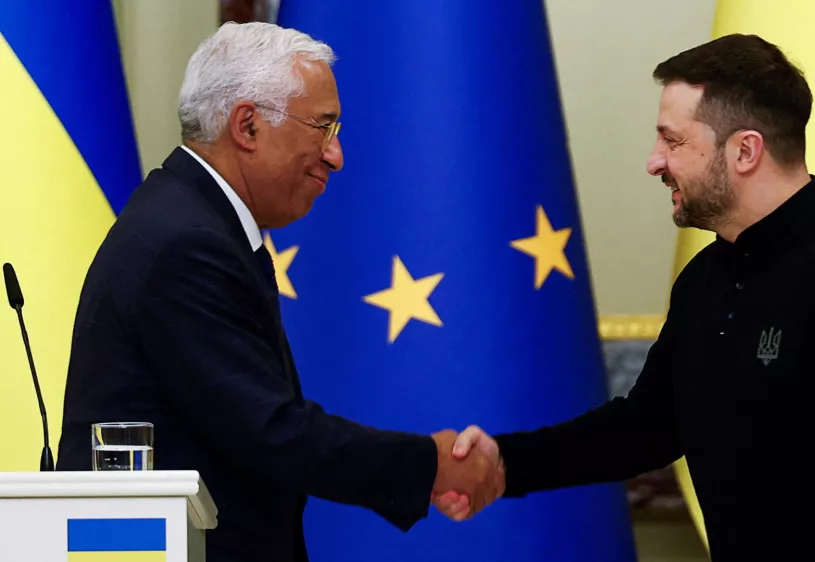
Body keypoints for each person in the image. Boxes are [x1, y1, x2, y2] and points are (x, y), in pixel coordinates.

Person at [434, 33, 815, 561]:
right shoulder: (703, 278)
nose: (653, 161)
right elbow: (644, 428)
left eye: (672, 141)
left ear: (744, 151)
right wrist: (506, 460)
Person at [55, 22, 502, 562]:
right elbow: (271, 431)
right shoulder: (186, 243)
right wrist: (429, 463)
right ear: (247, 126)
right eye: (323, 126)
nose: (336, 155)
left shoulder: (191, 221)